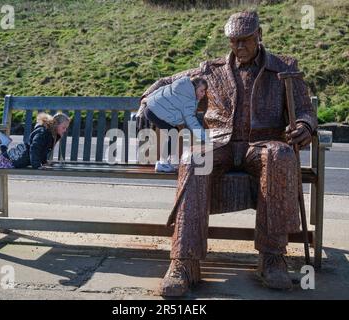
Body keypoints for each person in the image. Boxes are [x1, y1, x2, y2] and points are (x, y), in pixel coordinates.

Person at [136, 11, 317, 296]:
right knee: (193, 159)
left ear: (259, 35)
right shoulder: (210, 70)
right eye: (234, 41)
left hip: (263, 144)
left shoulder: (284, 68)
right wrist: (147, 99)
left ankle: (272, 258)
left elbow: (305, 109)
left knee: (281, 156)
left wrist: (306, 125)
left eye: (245, 40)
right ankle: (184, 261)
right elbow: (165, 82)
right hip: (219, 144)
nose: (240, 47)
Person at [0, 112, 70, 170]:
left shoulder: (52, 134)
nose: (65, 130)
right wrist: (37, 166)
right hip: (18, 158)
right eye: (64, 127)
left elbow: (43, 150)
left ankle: (4, 144)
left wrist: (44, 162)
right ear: (55, 124)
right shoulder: (43, 132)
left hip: (22, 157)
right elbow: (35, 148)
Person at [141, 76, 208, 173]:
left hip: (150, 109)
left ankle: (165, 161)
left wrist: (148, 99)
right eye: (202, 91)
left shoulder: (180, 86)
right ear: (194, 87)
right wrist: (205, 137)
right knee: (173, 133)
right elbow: (191, 122)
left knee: (173, 132)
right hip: (154, 112)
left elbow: (163, 90)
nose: (203, 94)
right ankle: (162, 163)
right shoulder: (189, 100)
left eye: (205, 91)